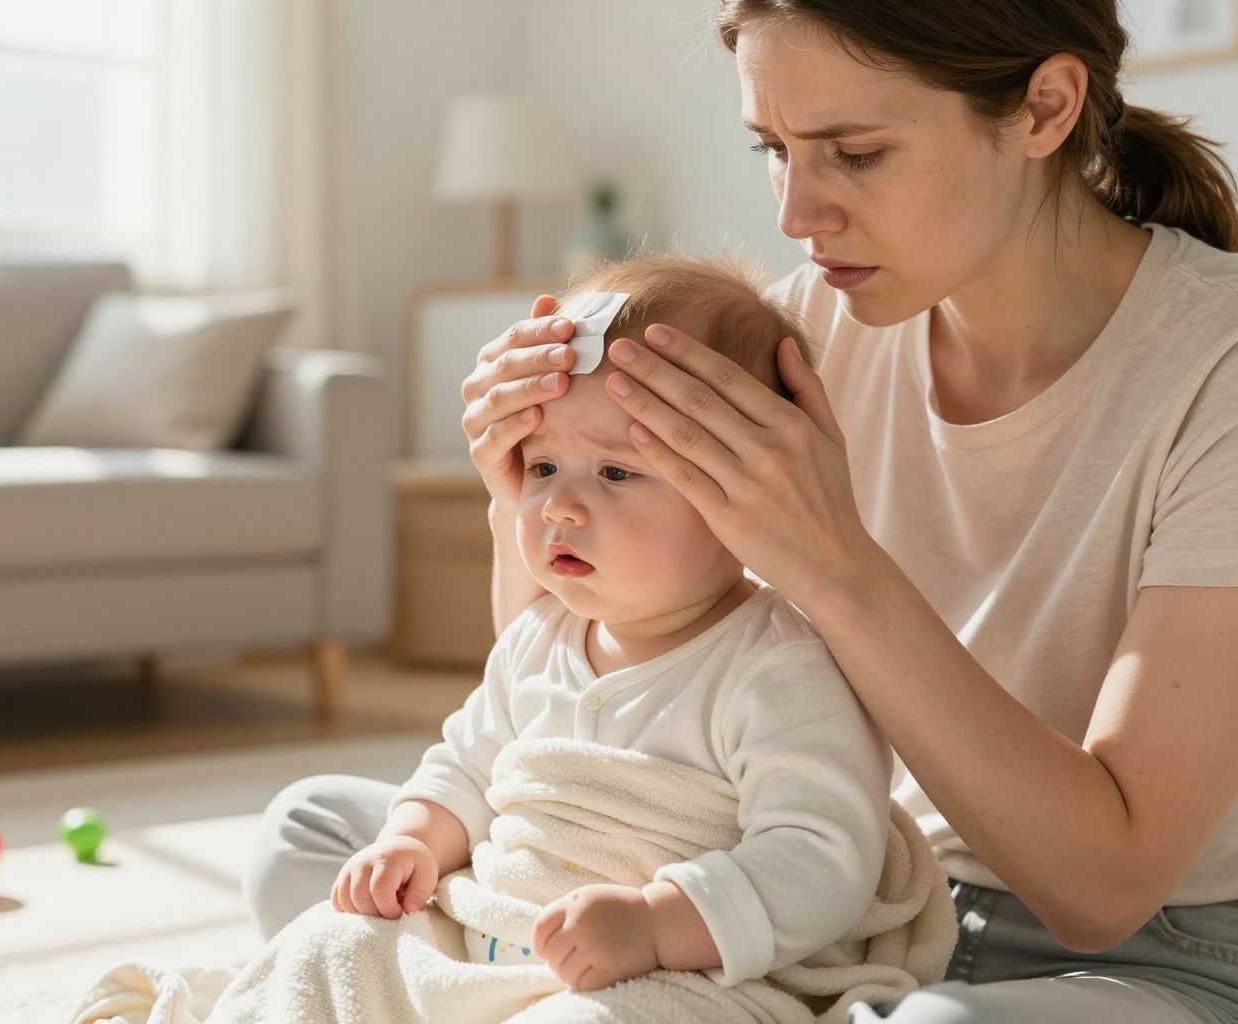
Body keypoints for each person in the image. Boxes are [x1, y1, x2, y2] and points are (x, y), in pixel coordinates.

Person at [245, 1, 1238, 1020]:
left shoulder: (1216, 368)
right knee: (316, 836)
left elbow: (1104, 887)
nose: (797, 216)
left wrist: (834, 564)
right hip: (830, 898)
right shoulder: (811, 325)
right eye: (775, 148)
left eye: (854, 153)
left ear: (1045, 108)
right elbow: (587, 710)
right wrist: (522, 489)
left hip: (1135, 949)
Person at [328, 254, 901, 996]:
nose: (559, 507)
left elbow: (821, 858)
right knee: (337, 945)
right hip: (498, 936)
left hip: (671, 973)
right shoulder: (540, 639)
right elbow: (468, 764)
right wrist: (412, 840)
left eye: (615, 473)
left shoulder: (776, 666)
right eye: (540, 468)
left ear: (743, 498)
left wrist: (657, 924)